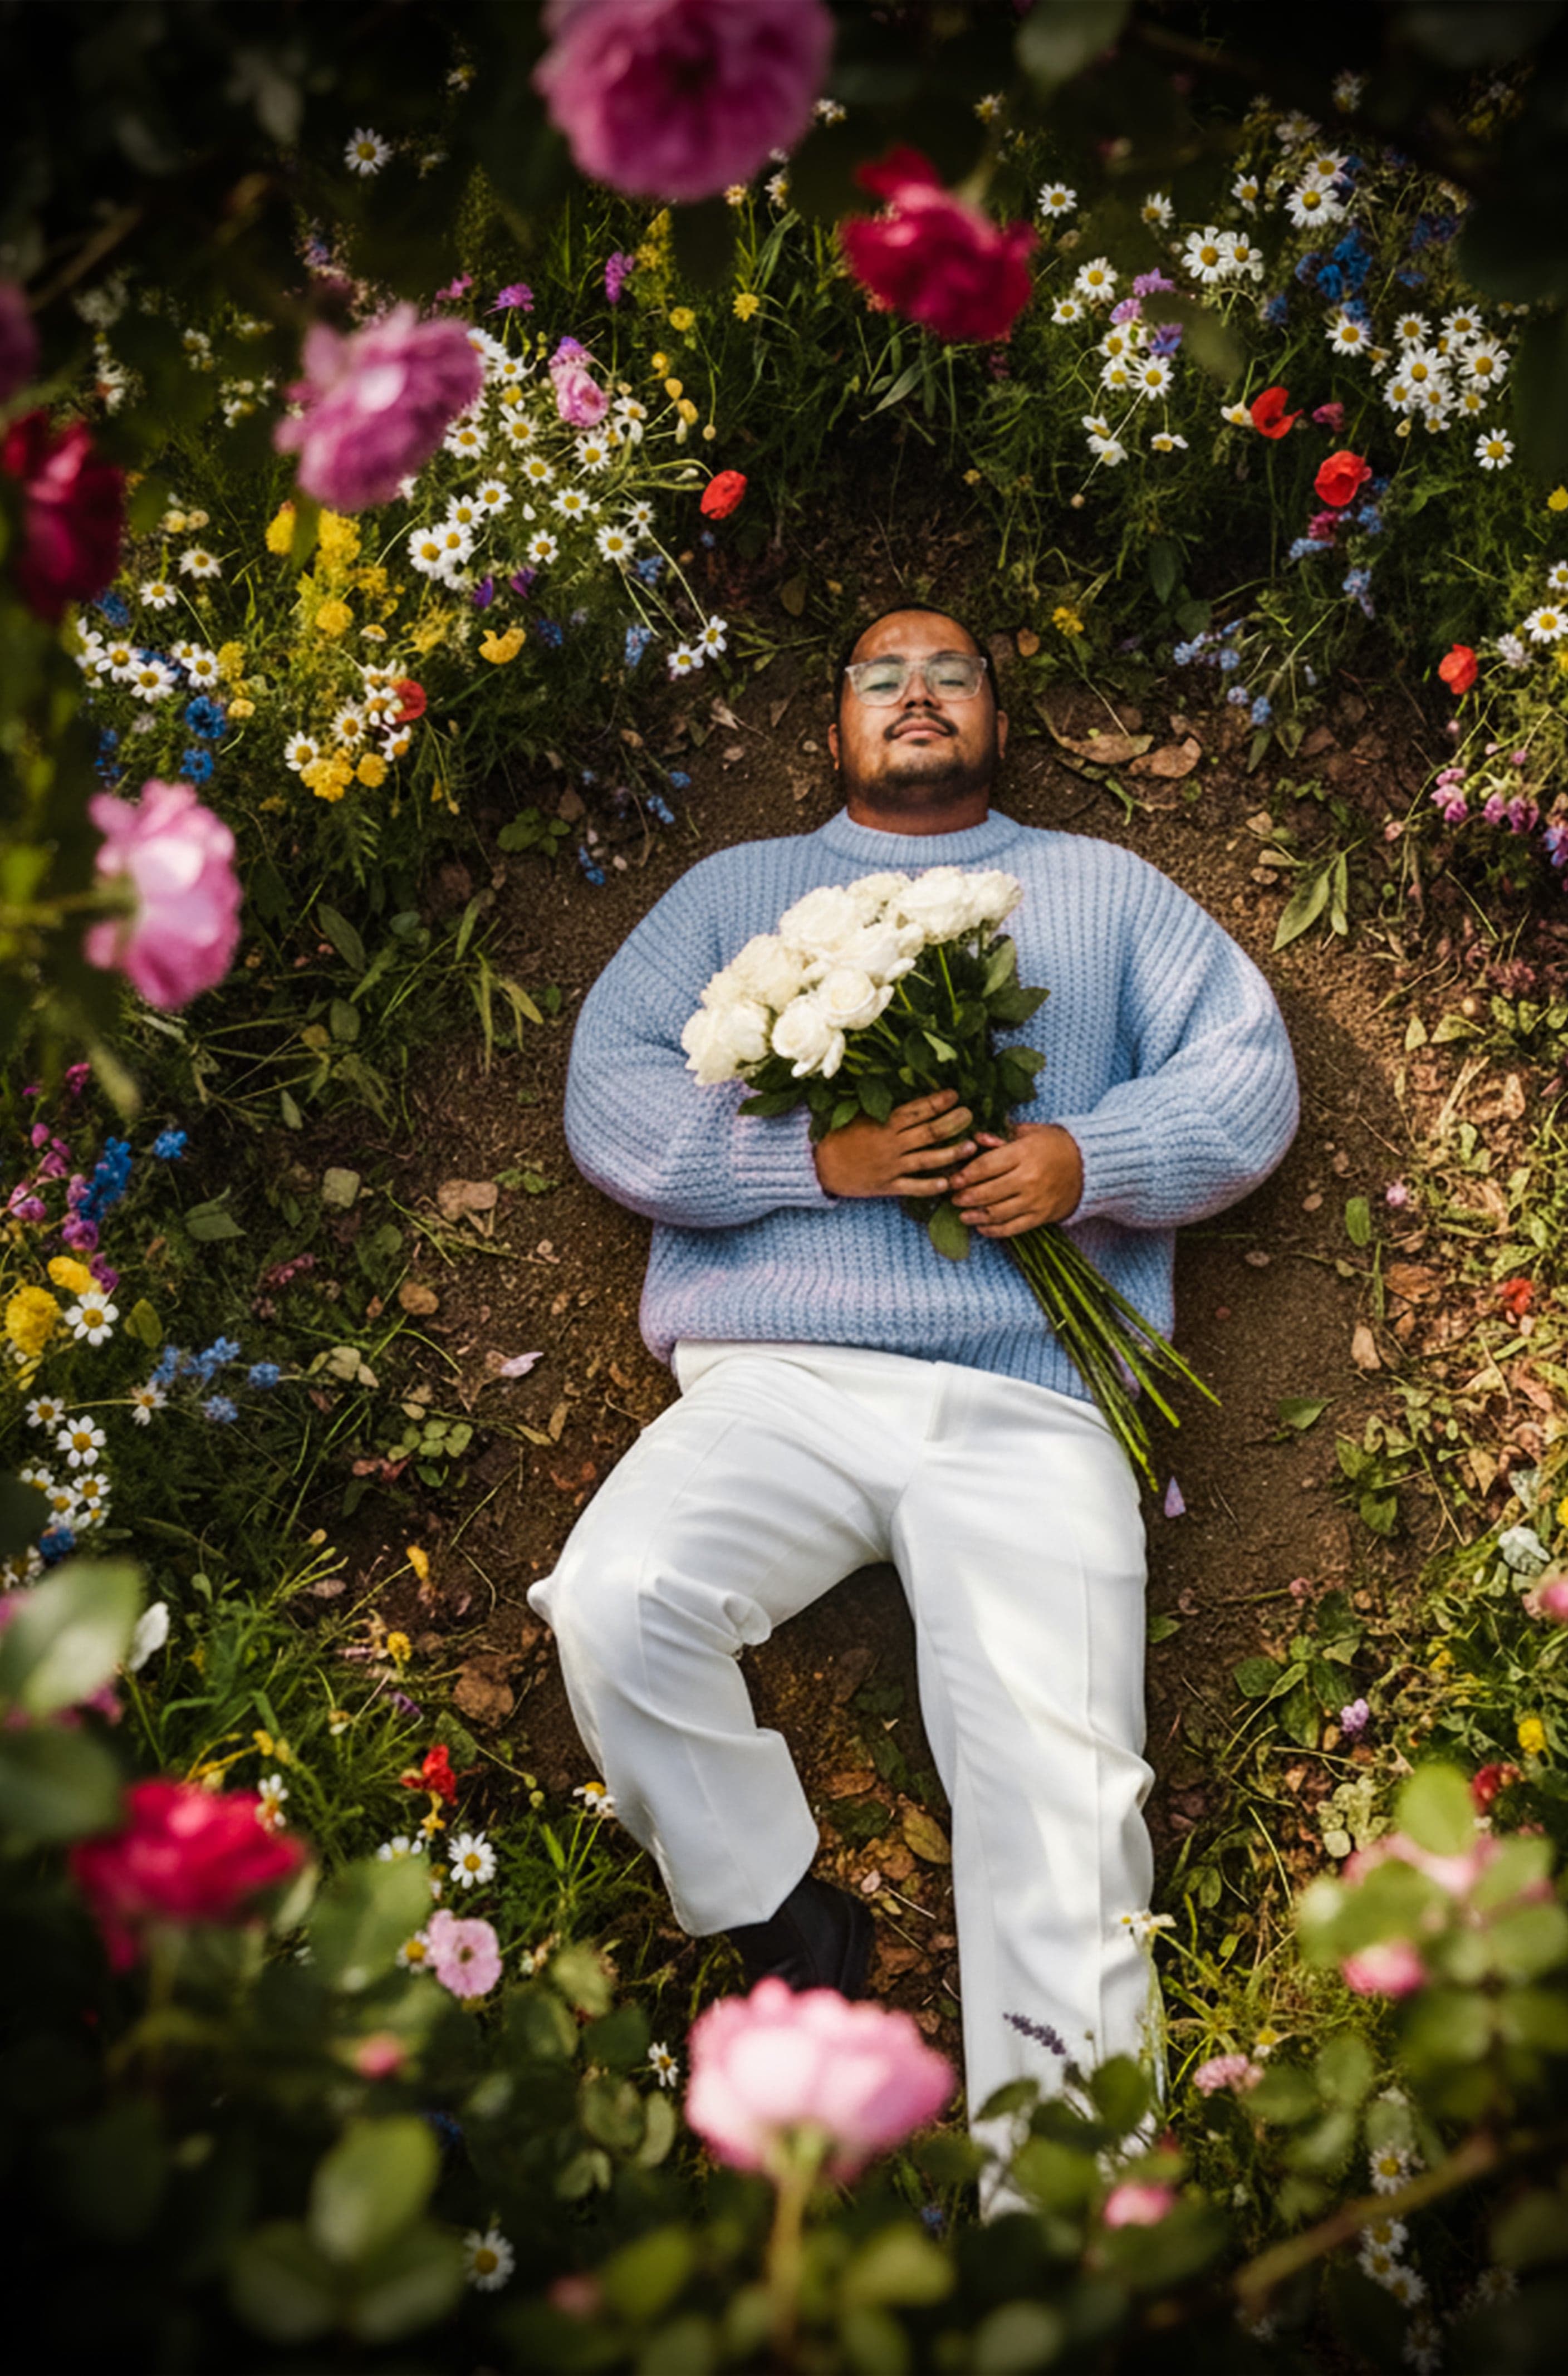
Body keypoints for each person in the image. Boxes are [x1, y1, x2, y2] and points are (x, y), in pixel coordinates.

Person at [529, 605, 1298, 2170]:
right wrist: (811, 1160)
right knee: (612, 1597)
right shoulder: (737, 894)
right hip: (780, 1379)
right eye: (881, 673)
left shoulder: (1100, 890)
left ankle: (1063, 2236)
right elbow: (608, 1088)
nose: (919, 691)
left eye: (954, 668)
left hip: (1034, 1398)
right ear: (838, 731)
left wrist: (1092, 1161)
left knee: (1065, 1796)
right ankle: (771, 1905)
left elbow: (1245, 1066)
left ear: (996, 718)